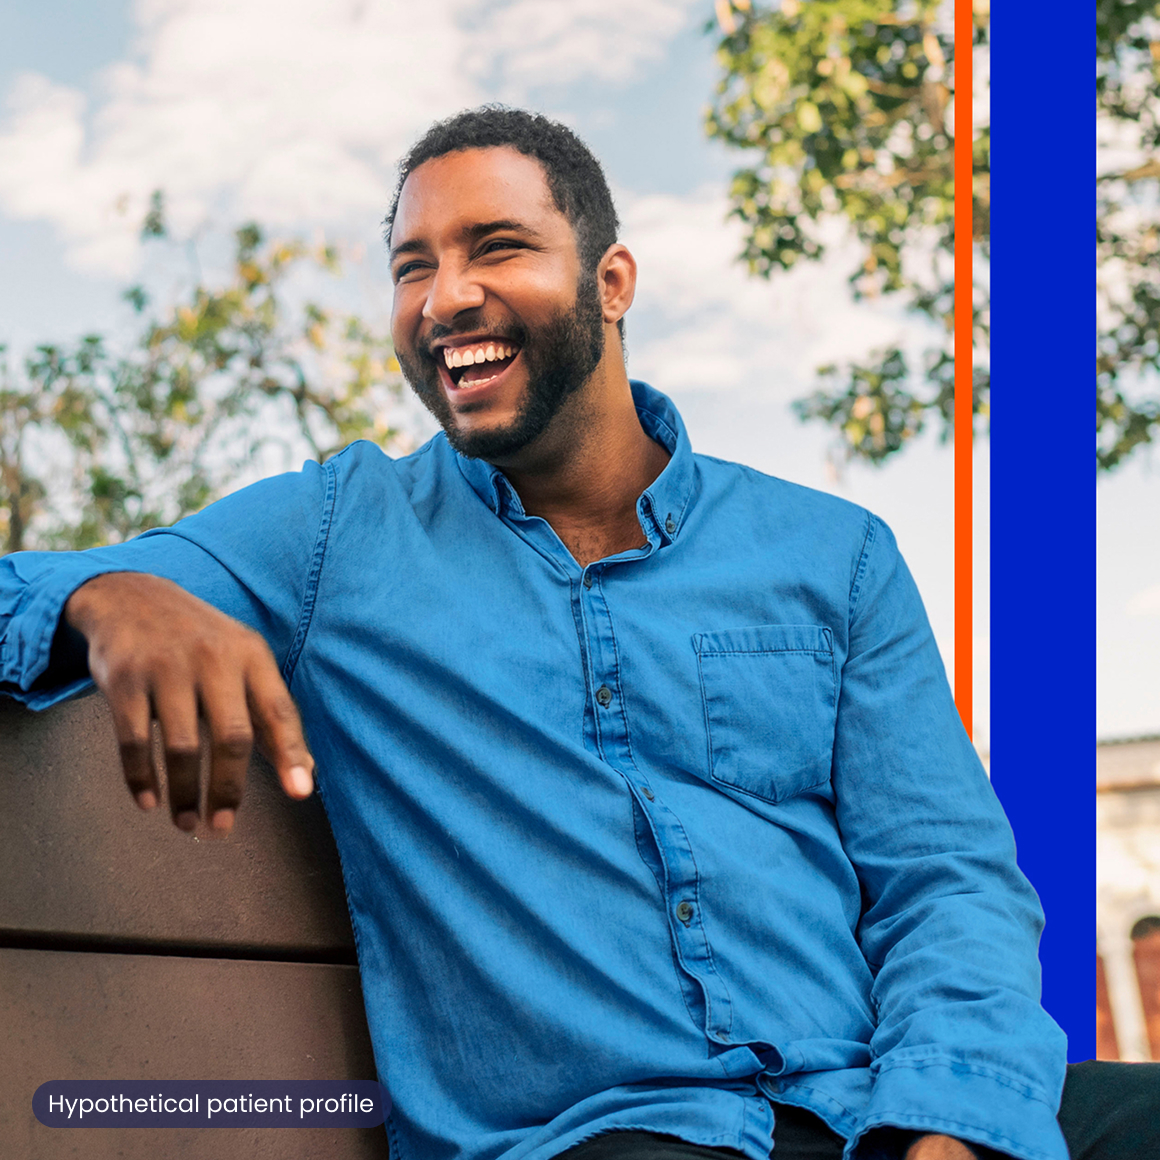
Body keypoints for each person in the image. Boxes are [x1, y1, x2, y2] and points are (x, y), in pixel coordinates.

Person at [0, 107, 1150, 1160]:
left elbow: (946, 881)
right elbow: (22, 584)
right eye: (412, 266)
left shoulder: (831, 555)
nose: (443, 296)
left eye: (493, 247)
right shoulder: (333, 536)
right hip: (600, 1136)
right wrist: (111, 596)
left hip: (874, 1107)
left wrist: (945, 1128)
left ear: (610, 281)